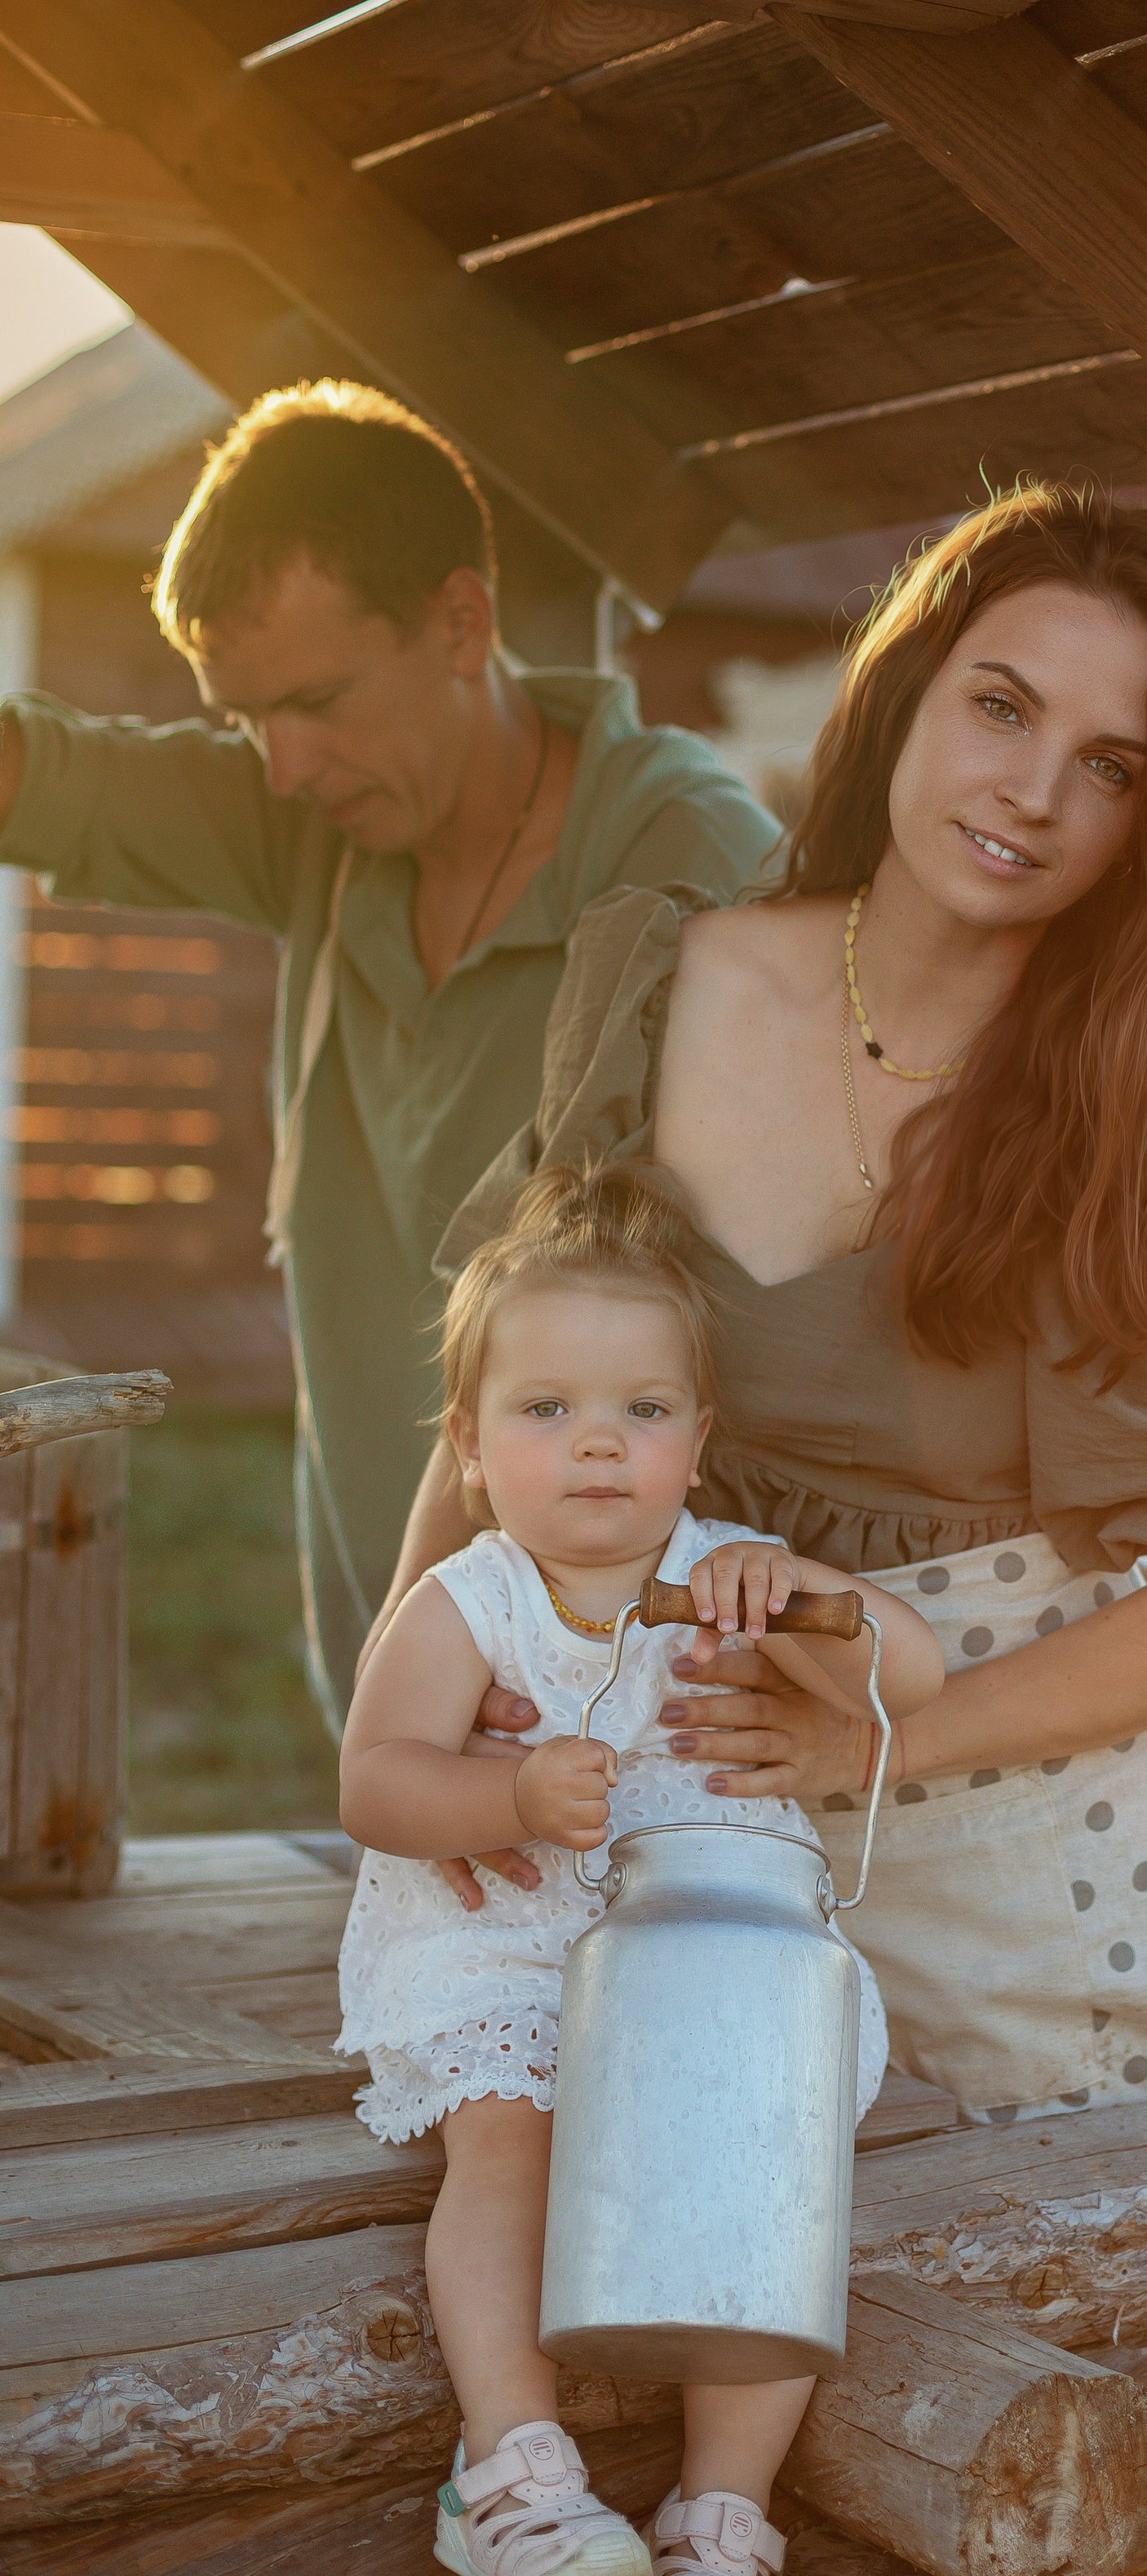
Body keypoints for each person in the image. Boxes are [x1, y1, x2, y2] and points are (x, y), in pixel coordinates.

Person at [377, 481, 1147, 2358]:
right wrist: (424, 1712)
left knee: (1051, 2421)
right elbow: (506, 1405)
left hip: (1031, 1850)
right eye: (1001, 706)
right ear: (910, 691)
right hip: (676, 1794)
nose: (1031, 793)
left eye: (1112, 767)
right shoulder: (662, 977)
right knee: (648, 2346)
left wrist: (871, 1739)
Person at [0, 380, 776, 1718]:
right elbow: (56, 778)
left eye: (315, 700)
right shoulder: (319, 822)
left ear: (460, 621)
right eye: (246, 718)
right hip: (383, 1682)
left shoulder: (685, 855)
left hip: (633, 1703)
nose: (283, 765)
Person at [338, 1161, 941, 2576]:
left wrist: (808, 1598)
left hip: (714, 1951)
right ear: (469, 1448)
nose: (597, 1441)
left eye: (642, 1411)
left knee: (763, 2188)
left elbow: (913, 1677)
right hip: (515, 1938)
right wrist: (508, 1799)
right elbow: (375, 1781)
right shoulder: (467, 1602)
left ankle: (719, 2526)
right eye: (544, 1411)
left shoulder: (729, 1581)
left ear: (698, 1442)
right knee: (511, 2139)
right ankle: (515, 2468)